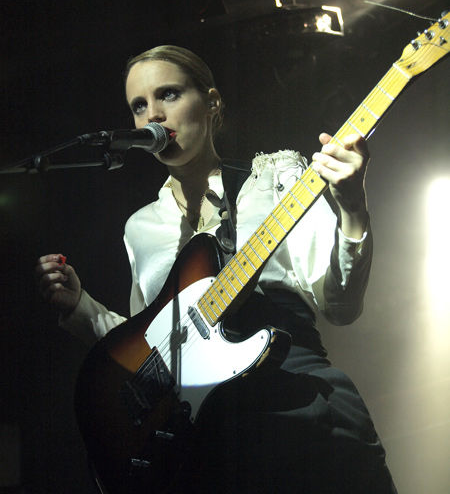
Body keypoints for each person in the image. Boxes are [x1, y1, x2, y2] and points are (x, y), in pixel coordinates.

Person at [36, 45, 397, 493]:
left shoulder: (276, 180)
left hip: (297, 410)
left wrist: (353, 209)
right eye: (139, 106)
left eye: (168, 94)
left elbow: (342, 306)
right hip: (205, 443)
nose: (154, 116)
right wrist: (82, 306)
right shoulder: (141, 227)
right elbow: (154, 348)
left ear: (211, 102)